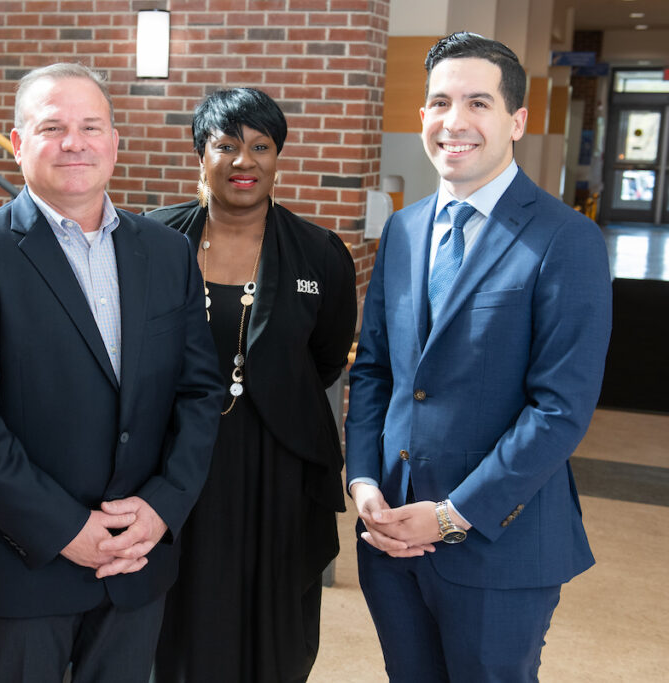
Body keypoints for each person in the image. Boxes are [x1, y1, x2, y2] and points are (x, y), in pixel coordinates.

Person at [0, 63, 223, 682]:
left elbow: (199, 392)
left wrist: (161, 508)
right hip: (22, 568)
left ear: (115, 141)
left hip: (137, 561)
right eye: (52, 126)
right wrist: (67, 530)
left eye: (90, 126)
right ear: (18, 143)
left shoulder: (168, 252)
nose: (74, 142)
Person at [345, 32, 613, 682]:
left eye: (478, 103)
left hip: (499, 545)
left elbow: (560, 409)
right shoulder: (405, 231)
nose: (455, 121)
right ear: (422, 118)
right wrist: (364, 481)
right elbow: (377, 370)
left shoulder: (566, 239)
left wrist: (450, 516)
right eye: (440, 102)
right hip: (391, 540)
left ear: (517, 120)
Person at [145, 87, 357, 682]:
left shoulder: (319, 253)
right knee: (179, 607)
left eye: (261, 146)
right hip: (172, 461)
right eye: (226, 146)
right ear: (200, 155)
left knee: (273, 612)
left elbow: (325, 355)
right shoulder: (153, 243)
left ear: (278, 156)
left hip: (278, 462)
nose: (245, 162)